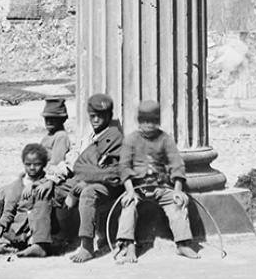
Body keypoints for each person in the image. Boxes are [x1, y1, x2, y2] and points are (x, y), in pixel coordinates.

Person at [114, 100, 199, 263]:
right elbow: (124, 167)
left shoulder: (166, 139)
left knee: (178, 204)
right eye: (145, 121)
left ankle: (182, 244)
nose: (149, 125)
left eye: (153, 121)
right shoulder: (130, 139)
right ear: (139, 121)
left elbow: (177, 164)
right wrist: (130, 190)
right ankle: (128, 244)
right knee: (128, 205)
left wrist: (178, 190)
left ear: (158, 121)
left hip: (160, 187)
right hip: (137, 188)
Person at [55, 93, 124, 263]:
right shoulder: (90, 137)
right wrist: (81, 177)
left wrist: (87, 180)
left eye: (100, 116)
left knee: (88, 194)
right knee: (55, 190)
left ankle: (87, 246)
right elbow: (79, 166)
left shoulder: (114, 138)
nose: (95, 120)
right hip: (86, 179)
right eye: (92, 116)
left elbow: (114, 173)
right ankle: (57, 235)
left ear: (109, 116)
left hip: (107, 186)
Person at [0, 97, 72, 224]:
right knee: (4, 191)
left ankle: (5, 225)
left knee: (15, 194)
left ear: (62, 119)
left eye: (53, 118)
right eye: (46, 118)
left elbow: (55, 164)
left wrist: (34, 182)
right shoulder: (48, 136)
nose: (49, 121)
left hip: (45, 179)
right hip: (35, 174)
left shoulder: (61, 137)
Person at [0, 143, 54, 257]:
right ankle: (11, 248)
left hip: (35, 229)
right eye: (28, 164)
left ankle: (38, 246)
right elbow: (9, 212)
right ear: (23, 164)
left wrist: (44, 183)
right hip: (17, 230)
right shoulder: (15, 187)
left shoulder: (47, 183)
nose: (32, 168)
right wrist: (0, 226)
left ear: (44, 164)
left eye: (37, 164)